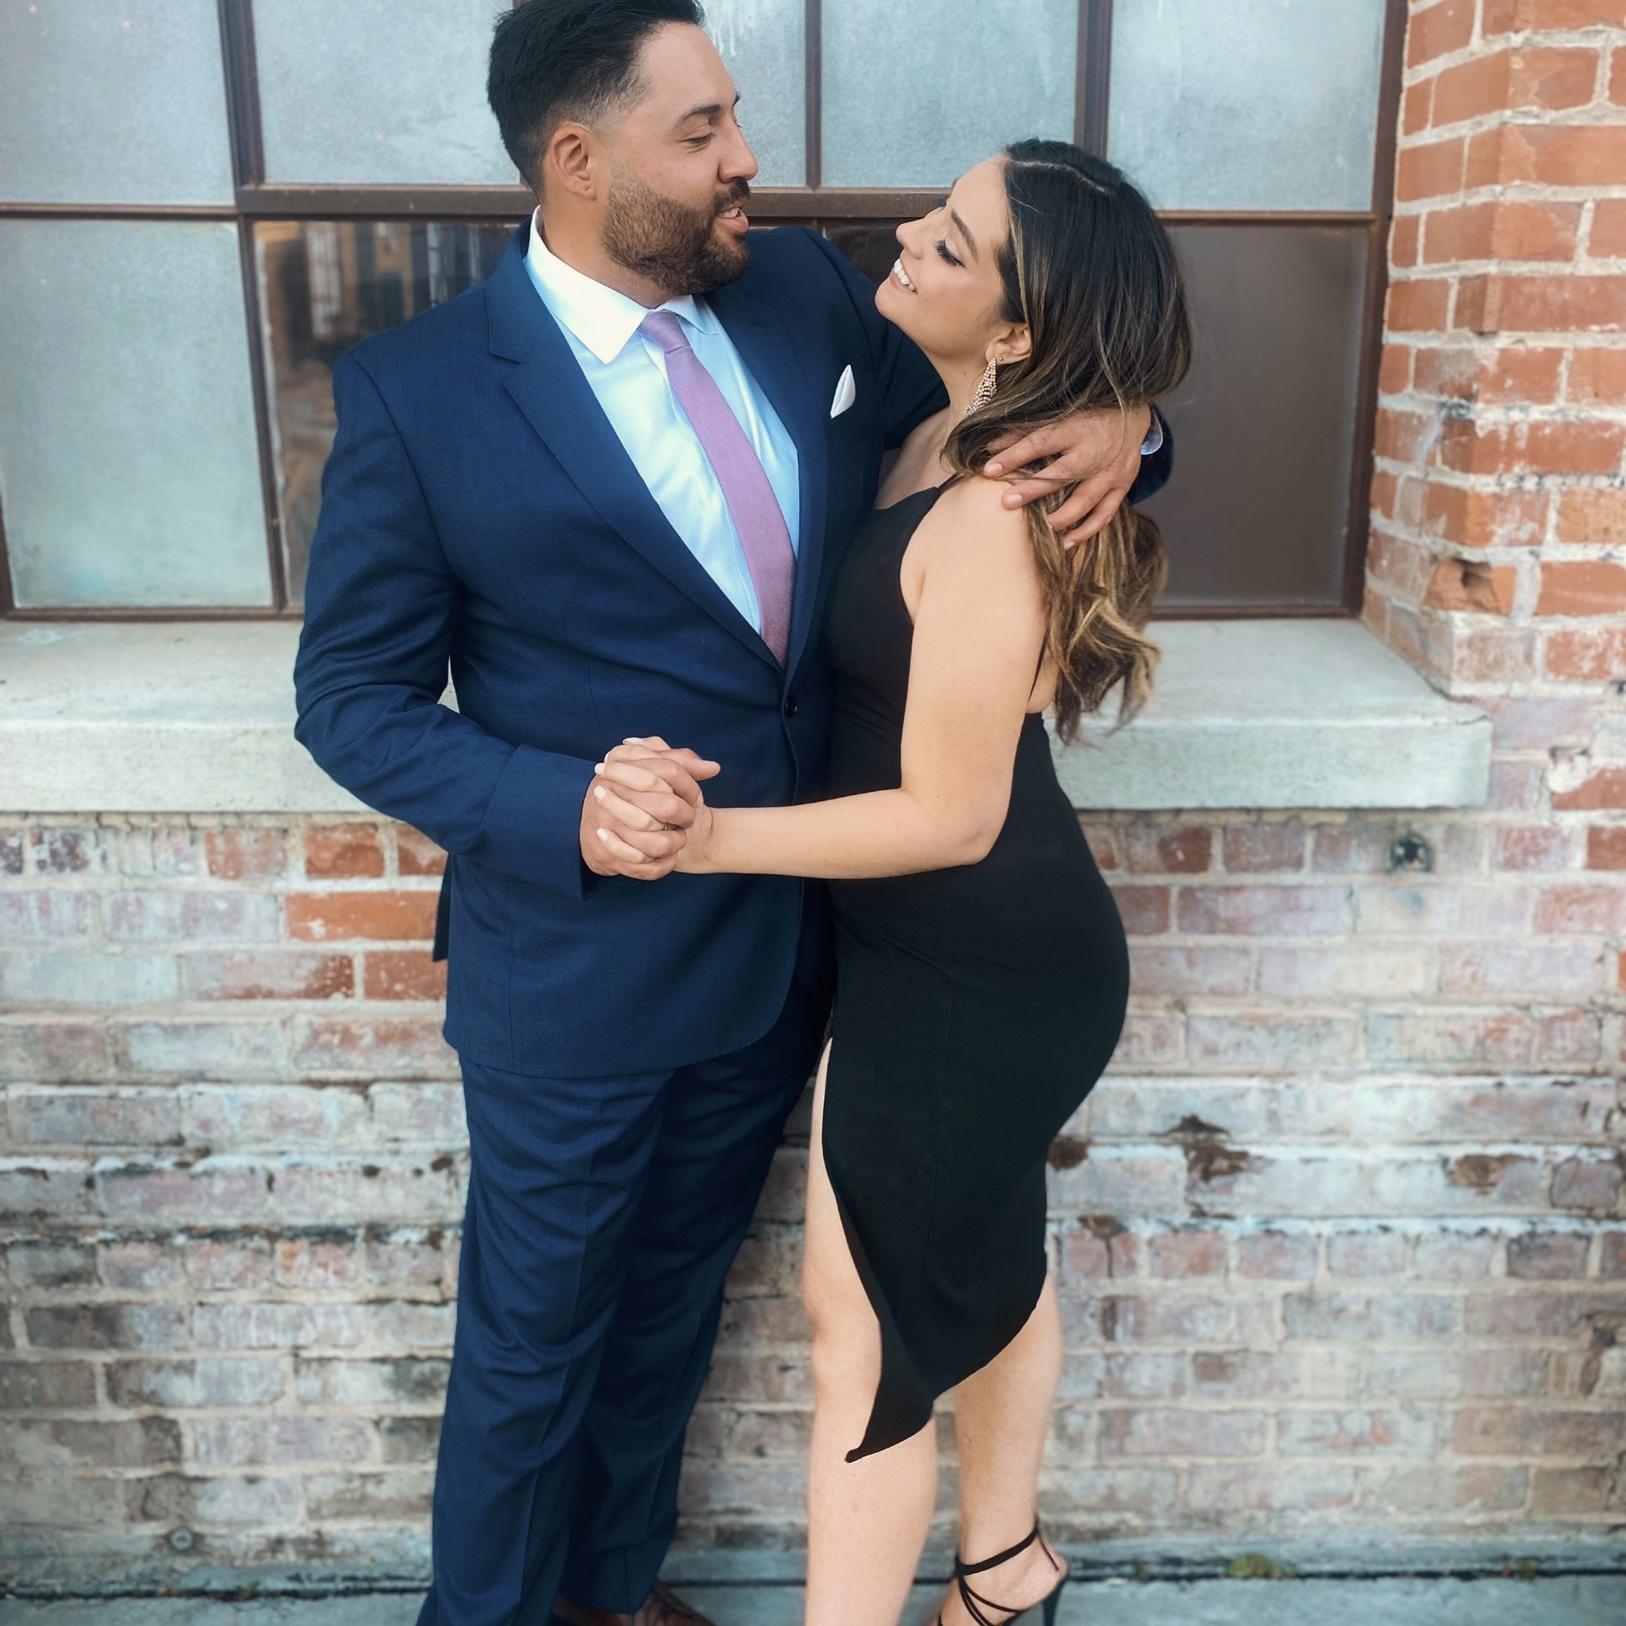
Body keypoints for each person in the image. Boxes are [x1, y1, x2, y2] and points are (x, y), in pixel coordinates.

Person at [290, 2, 1175, 1622]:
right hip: (575, 967)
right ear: (579, 157)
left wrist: (1134, 423)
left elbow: (1012, 385)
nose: (743, 158)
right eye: (698, 131)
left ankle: (615, 1593)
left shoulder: (802, 294)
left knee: (669, 1319)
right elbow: (347, 698)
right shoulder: (422, 393)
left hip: (785, 956)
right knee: (529, 1347)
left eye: (734, 116)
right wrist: (559, 801)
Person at [590, 140, 1191, 1626]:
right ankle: (1006, 1573)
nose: (911, 232)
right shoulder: (938, 423)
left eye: (954, 241)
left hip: (980, 962)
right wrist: (1126, 416)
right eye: (941, 209)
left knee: (860, 1334)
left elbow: (950, 815)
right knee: (971, 1262)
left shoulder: (992, 505)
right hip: (931, 949)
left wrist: (709, 839)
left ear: (1017, 331)